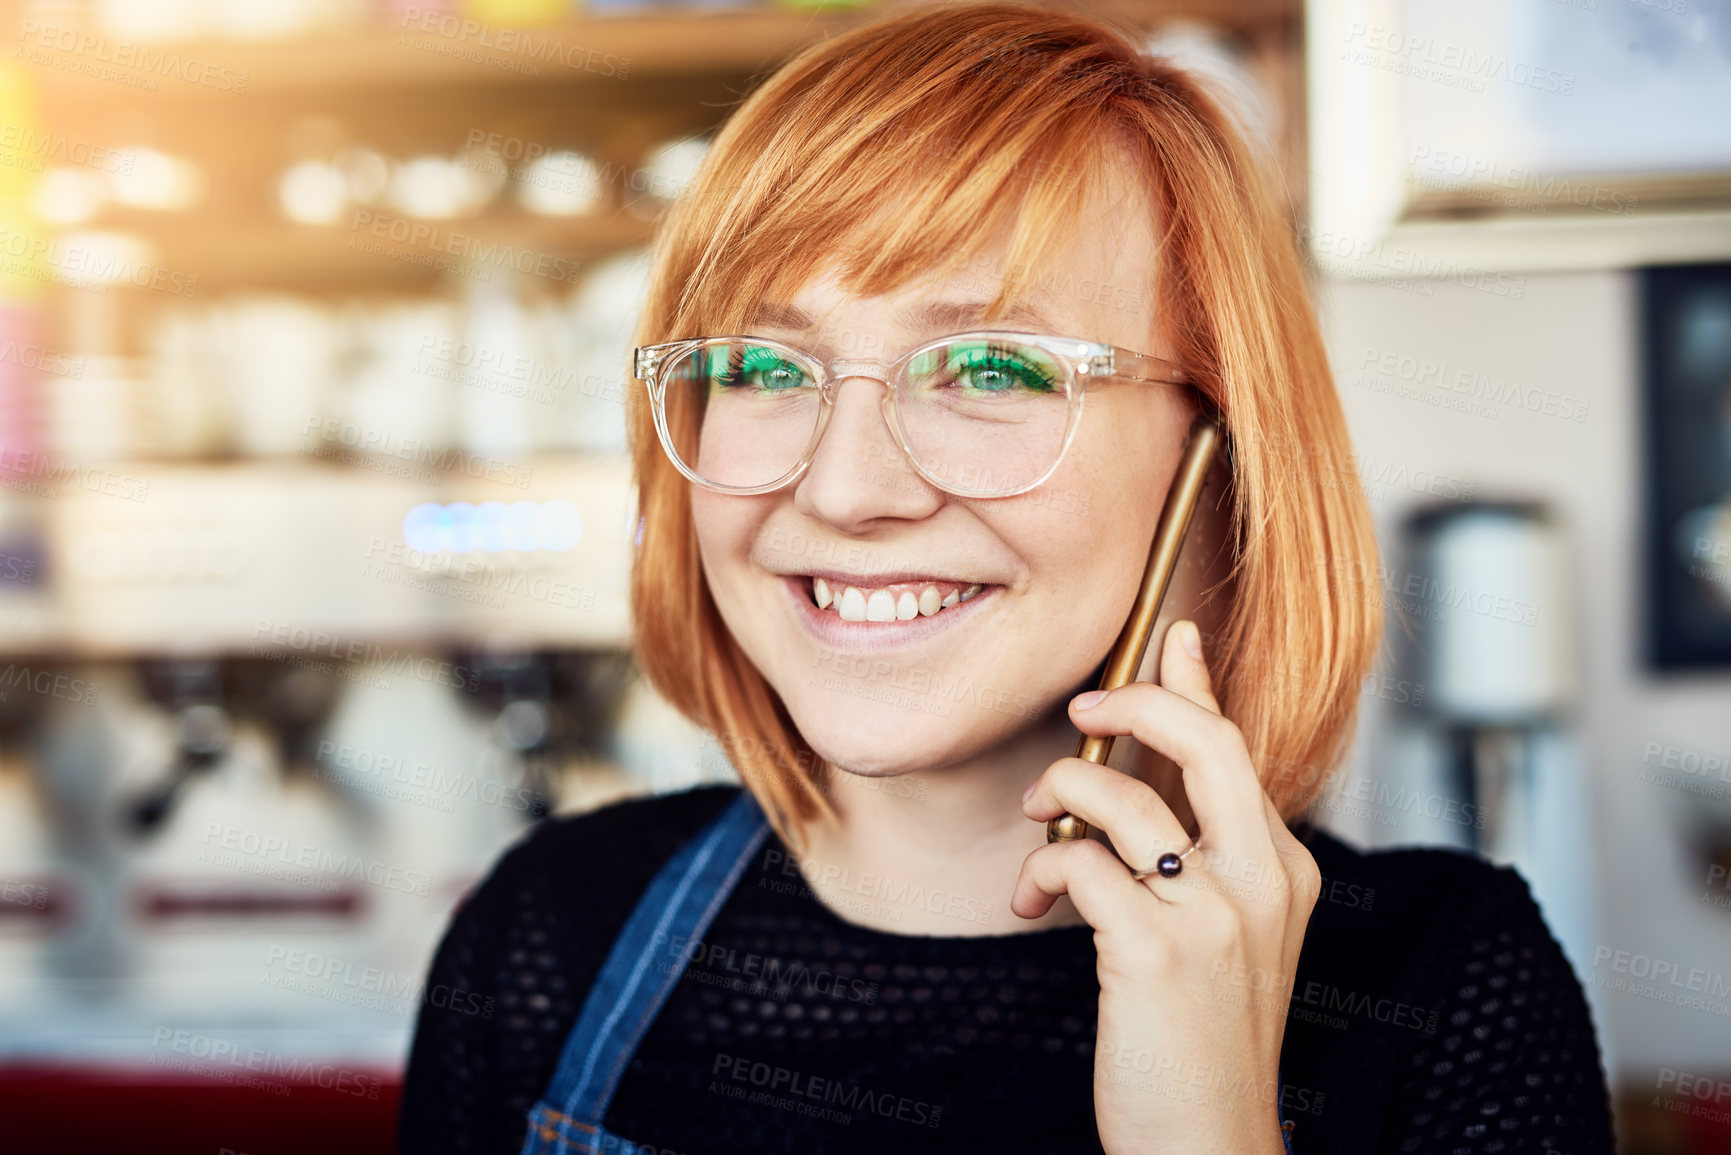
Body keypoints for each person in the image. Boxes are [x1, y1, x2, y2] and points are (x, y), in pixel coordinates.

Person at [399, 4, 1616, 1152]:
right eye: (764, 368)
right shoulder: (547, 929)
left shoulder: (1446, 987)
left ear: (1216, 455)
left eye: (990, 366)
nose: (845, 490)